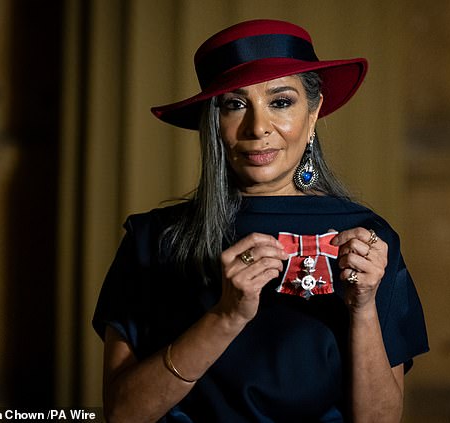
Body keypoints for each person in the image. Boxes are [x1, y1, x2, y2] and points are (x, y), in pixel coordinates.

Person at [93, 19, 428, 423]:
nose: (258, 127)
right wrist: (225, 317)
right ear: (212, 123)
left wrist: (364, 308)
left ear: (314, 111)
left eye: (281, 102)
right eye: (234, 104)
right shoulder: (154, 241)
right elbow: (123, 413)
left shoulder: (368, 242)